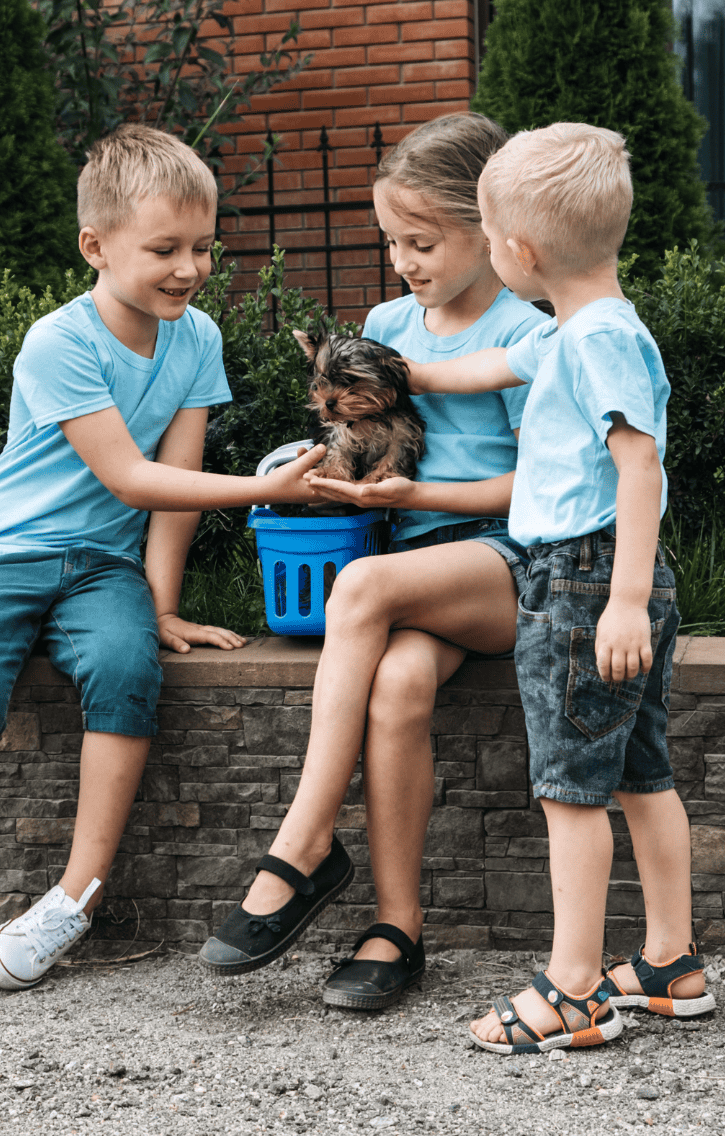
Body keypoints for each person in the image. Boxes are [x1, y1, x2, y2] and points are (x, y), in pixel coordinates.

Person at [0, 124, 326, 1004]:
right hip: (8, 553)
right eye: (164, 248)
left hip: (102, 566)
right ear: (96, 245)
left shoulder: (196, 338)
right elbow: (130, 474)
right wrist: (262, 485)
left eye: (203, 247)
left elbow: (168, 494)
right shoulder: (59, 341)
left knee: (130, 669)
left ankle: (72, 900)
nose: (189, 267)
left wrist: (159, 605)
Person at [198, 113, 547, 1011]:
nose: (404, 261)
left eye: (423, 241)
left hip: (502, 565)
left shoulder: (527, 334)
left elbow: (545, 489)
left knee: (361, 582)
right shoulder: (390, 323)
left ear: (493, 227)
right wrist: (307, 472)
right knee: (396, 689)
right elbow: (353, 432)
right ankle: (398, 929)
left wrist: (414, 501)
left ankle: (304, 842)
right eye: (391, 241)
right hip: (409, 572)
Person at [410, 123, 713, 1053]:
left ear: (522, 252)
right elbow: (487, 367)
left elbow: (640, 468)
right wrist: (403, 372)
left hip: (584, 580)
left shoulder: (601, 344)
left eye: (491, 235)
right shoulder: (577, 330)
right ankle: (671, 964)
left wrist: (623, 600)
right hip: (591, 576)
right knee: (637, 775)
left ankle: (574, 989)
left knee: (570, 791)